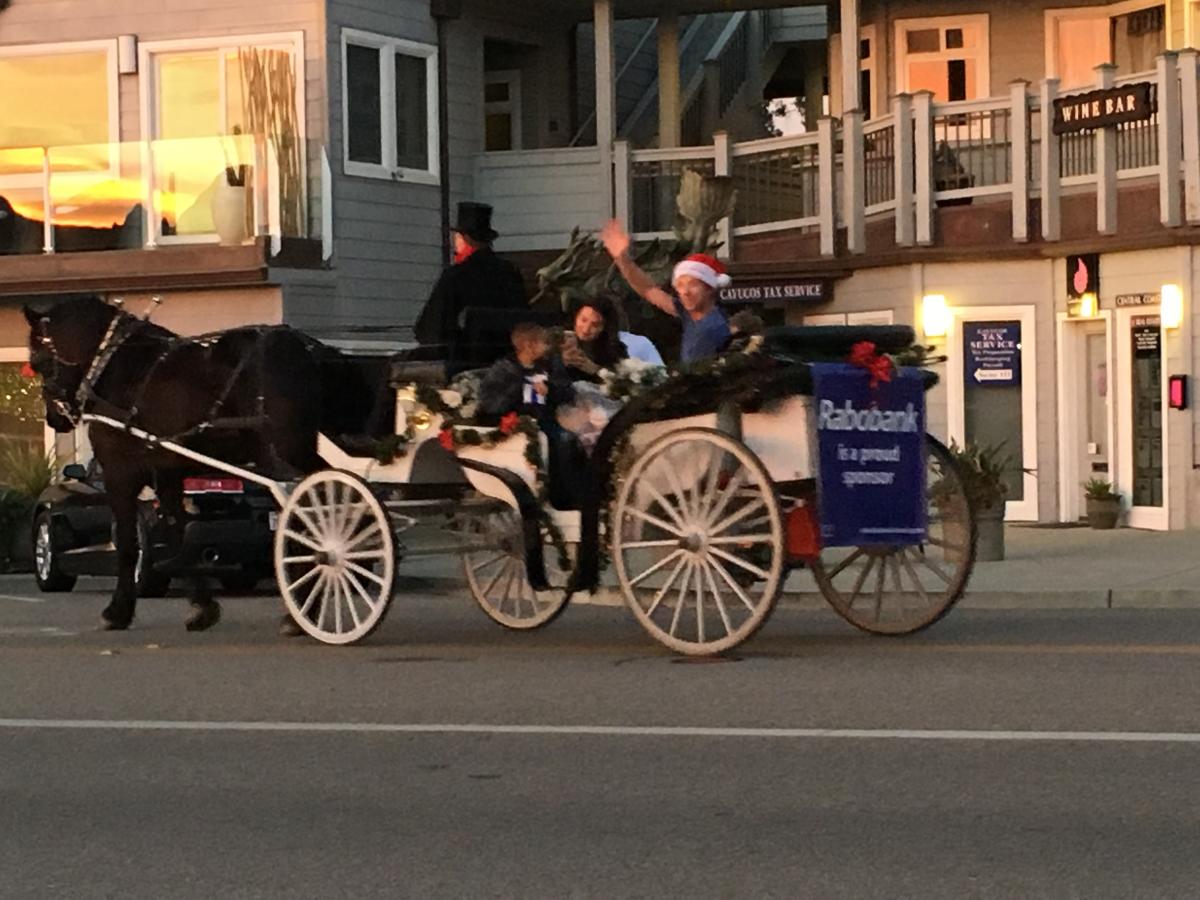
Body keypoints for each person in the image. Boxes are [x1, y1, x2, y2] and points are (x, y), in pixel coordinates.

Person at [478, 322, 583, 509]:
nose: (547, 347)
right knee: (558, 441)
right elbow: (490, 403)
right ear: (529, 345)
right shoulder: (505, 369)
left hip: (545, 420)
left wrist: (550, 390)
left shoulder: (548, 366)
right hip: (515, 424)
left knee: (569, 440)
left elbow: (568, 392)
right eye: (543, 343)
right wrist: (519, 389)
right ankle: (560, 498)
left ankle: (569, 494)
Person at [600, 218, 731, 363]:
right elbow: (649, 289)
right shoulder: (688, 313)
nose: (685, 291)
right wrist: (621, 258)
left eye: (693, 284)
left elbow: (698, 372)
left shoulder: (713, 327)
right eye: (680, 285)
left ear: (710, 289)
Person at [414, 201, 528, 354]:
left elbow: (430, 327)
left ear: (465, 238)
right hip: (506, 356)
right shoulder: (510, 273)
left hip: (464, 358)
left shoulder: (455, 276)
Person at [559, 295, 627, 382]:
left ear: (604, 328)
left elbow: (623, 383)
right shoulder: (558, 338)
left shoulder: (615, 350)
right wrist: (559, 361)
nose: (586, 330)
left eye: (595, 325)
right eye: (583, 320)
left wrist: (595, 370)